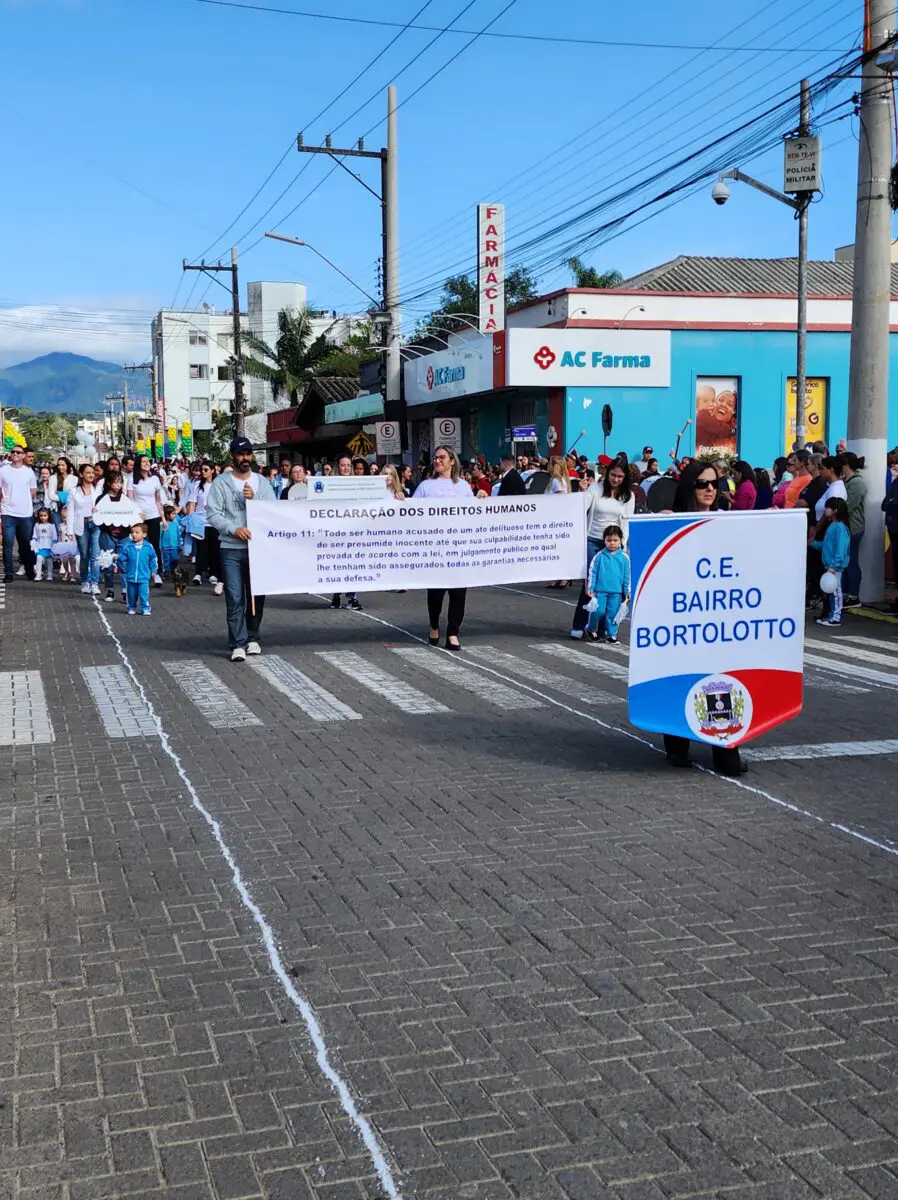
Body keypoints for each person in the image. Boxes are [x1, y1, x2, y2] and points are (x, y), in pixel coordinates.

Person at [662, 462, 747, 776]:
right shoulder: (672, 521)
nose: (710, 489)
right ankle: (677, 745)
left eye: (715, 483)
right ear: (689, 487)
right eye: (701, 483)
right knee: (682, 678)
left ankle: (725, 748)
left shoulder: (728, 522)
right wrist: (658, 526)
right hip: (682, 617)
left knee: (721, 679)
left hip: (719, 618)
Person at [206, 436, 275, 662]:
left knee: (256, 595)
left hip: (257, 549)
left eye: (248, 454)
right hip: (231, 548)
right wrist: (233, 529)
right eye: (240, 454)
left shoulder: (262, 483)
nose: (245, 458)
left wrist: (254, 500)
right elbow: (213, 514)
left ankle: (252, 637)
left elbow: (272, 512)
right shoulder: (221, 483)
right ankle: (237, 642)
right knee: (235, 596)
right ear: (232, 456)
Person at [413, 446, 474, 650]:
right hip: (435, 548)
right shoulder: (425, 486)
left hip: (458, 548)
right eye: (435, 457)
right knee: (436, 593)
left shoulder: (464, 487)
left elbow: (475, 514)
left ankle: (453, 632)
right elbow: (411, 513)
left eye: (442, 457)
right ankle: (433, 626)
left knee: (458, 593)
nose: (437, 461)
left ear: (452, 461)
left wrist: (482, 498)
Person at [570, 461, 635, 638]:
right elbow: (581, 508)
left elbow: (627, 522)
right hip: (593, 540)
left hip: (614, 544)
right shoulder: (595, 489)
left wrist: (623, 545)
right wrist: (581, 492)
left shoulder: (628, 496)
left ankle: (601, 628)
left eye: (620, 476)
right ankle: (579, 624)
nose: (615, 479)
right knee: (591, 583)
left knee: (611, 585)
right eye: (613, 475)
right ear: (607, 473)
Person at [585, 524, 630, 644]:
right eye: (609, 540)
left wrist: (627, 591)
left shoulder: (625, 558)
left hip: (616, 592)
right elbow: (592, 572)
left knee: (613, 614)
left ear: (621, 540)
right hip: (600, 591)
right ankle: (590, 629)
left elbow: (627, 576)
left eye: (615, 540)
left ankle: (611, 635)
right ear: (604, 540)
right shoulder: (599, 556)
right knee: (598, 611)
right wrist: (590, 586)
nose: (612, 543)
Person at [812, 497, 850, 628]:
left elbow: (840, 549)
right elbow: (827, 546)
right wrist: (813, 544)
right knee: (832, 592)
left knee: (836, 591)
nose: (826, 509)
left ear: (835, 510)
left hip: (835, 567)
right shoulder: (834, 526)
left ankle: (836, 617)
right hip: (830, 566)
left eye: (828, 507)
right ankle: (832, 615)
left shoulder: (839, 528)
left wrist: (833, 566)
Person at [1, 444, 37, 582]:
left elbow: (33, 492)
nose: (15, 454)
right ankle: (9, 573)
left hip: (25, 514)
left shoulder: (29, 472)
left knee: (25, 544)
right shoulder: (3, 470)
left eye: (18, 452)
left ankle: (29, 570)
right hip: (8, 512)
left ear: (23, 455)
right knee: (8, 543)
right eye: (13, 452)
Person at [128, 454, 166, 588]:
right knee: (138, 544)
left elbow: (158, 500)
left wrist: (163, 518)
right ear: (138, 464)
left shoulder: (155, 479)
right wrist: (136, 514)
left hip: (154, 515)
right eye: (143, 461)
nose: (147, 463)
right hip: (139, 518)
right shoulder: (131, 480)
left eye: (148, 461)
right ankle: (140, 572)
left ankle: (157, 573)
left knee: (155, 544)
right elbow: (130, 500)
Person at [186, 462, 222, 589]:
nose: (203, 472)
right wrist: (190, 519)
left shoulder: (218, 485)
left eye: (206, 469)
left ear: (213, 470)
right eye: (202, 469)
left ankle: (213, 573)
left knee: (214, 548)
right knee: (201, 548)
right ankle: (198, 573)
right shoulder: (197, 485)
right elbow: (192, 503)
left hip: (215, 521)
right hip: (201, 521)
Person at [66, 463, 101, 595]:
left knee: (95, 556)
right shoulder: (74, 492)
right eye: (87, 472)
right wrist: (69, 531)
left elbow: (103, 508)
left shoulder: (97, 491)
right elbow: (70, 511)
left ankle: (95, 583)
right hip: (81, 526)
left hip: (95, 525)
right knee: (84, 556)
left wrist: (98, 511)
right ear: (81, 474)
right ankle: (85, 581)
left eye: (92, 472)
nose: (91, 475)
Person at [97, 471, 131, 602]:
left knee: (124, 563)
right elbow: (98, 517)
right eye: (116, 482)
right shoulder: (102, 499)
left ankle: (125, 591)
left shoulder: (125, 499)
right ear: (109, 483)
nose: (118, 485)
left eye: (120, 482)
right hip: (108, 534)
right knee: (108, 563)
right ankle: (109, 590)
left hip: (123, 535)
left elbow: (131, 515)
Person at [841, 451, 867, 607]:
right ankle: (845, 593)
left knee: (851, 562)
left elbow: (848, 505)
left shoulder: (857, 483)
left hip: (854, 528)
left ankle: (854, 595)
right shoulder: (848, 481)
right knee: (845, 562)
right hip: (846, 527)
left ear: (845, 465)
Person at [117, 522, 158, 616]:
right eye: (132, 532)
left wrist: (154, 570)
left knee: (144, 594)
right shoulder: (128, 546)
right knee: (131, 595)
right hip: (131, 576)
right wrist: (117, 558)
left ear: (144, 534)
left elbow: (153, 559)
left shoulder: (148, 547)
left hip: (144, 576)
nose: (134, 534)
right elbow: (123, 557)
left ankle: (145, 608)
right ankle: (131, 607)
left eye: (137, 532)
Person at [882, 469, 898, 611]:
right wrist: (892, 502)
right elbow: (885, 504)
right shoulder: (895, 482)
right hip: (893, 529)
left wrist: (892, 502)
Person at [815, 455, 847, 522]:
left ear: (831, 470)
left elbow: (829, 514)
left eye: (822, 469)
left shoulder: (836, 489)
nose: (819, 472)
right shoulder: (833, 486)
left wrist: (816, 529)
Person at [30, 508, 56, 581]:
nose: (43, 517)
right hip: (40, 546)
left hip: (49, 546)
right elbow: (34, 535)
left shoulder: (51, 525)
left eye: (45, 515)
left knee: (49, 561)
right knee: (39, 558)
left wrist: (53, 546)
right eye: (41, 516)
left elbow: (54, 536)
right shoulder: (37, 525)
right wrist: (34, 544)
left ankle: (50, 574)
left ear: (48, 516)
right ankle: (38, 574)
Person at [160, 503, 184, 576]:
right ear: (167, 515)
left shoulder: (176, 524)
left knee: (175, 559)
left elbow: (178, 534)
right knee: (166, 560)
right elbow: (160, 536)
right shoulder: (162, 524)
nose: (175, 515)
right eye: (173, 514)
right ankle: (166, 571)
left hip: (174, 546)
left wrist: (179, 544)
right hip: (165, 546)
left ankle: (173, 570)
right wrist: (160, 545)